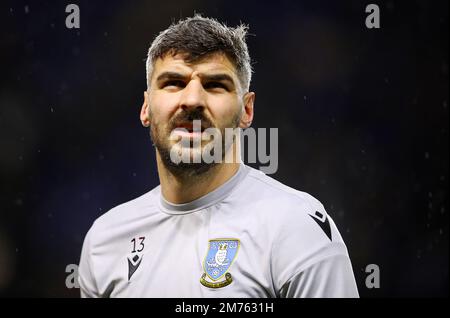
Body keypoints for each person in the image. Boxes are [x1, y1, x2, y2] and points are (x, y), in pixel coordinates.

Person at [78, 15, 359, 298]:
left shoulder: (294, 227)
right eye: (174, 82)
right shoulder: (105, 240)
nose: (193, 100)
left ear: (246, 111)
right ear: (146, 107)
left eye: (215, 85)